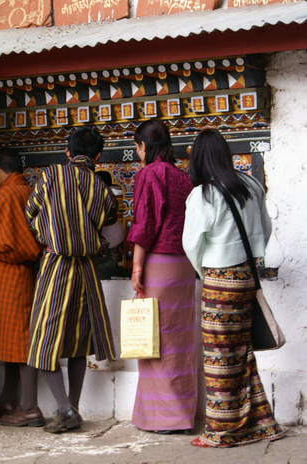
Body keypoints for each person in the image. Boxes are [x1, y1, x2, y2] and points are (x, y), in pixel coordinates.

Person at [182, 129, 284, 447]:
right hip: (247, 279)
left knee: (219, 359)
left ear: (198, 158)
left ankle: (223, 431)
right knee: (242, 354)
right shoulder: (251, 184)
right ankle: (259, 423)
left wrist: (205, 272)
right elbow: (265, 230)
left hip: (219, 283)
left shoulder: (203, 195)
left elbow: (191, 244)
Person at [26, 126, 118, 433]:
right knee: (80, 341)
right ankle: (73, 408)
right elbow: (109, 227)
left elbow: (31, 213)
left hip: (55, 266)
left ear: (68, 152)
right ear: (97, 156)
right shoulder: (103, 191)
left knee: (43, 341)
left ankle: (65, 409)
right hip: (87, 270)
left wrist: (49, 231)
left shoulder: (50, 175)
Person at [126, 119, 198, 435]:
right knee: (180, 341)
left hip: (159, 264)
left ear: (143, 146)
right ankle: (183, 414)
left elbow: (145, 223)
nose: (136, 153)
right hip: (183, 266)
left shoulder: (149, 174)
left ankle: (163, 418)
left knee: (155, 341)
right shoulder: (183, 177)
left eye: (136, 147)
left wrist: (137, 267)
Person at [0, 148, 44, 426]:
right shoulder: (28, 191)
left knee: (19, 339)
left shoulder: (6, 194)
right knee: (13, 338)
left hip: (9, 271)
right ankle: (8, 398)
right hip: (26, 272)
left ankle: (29, 407)